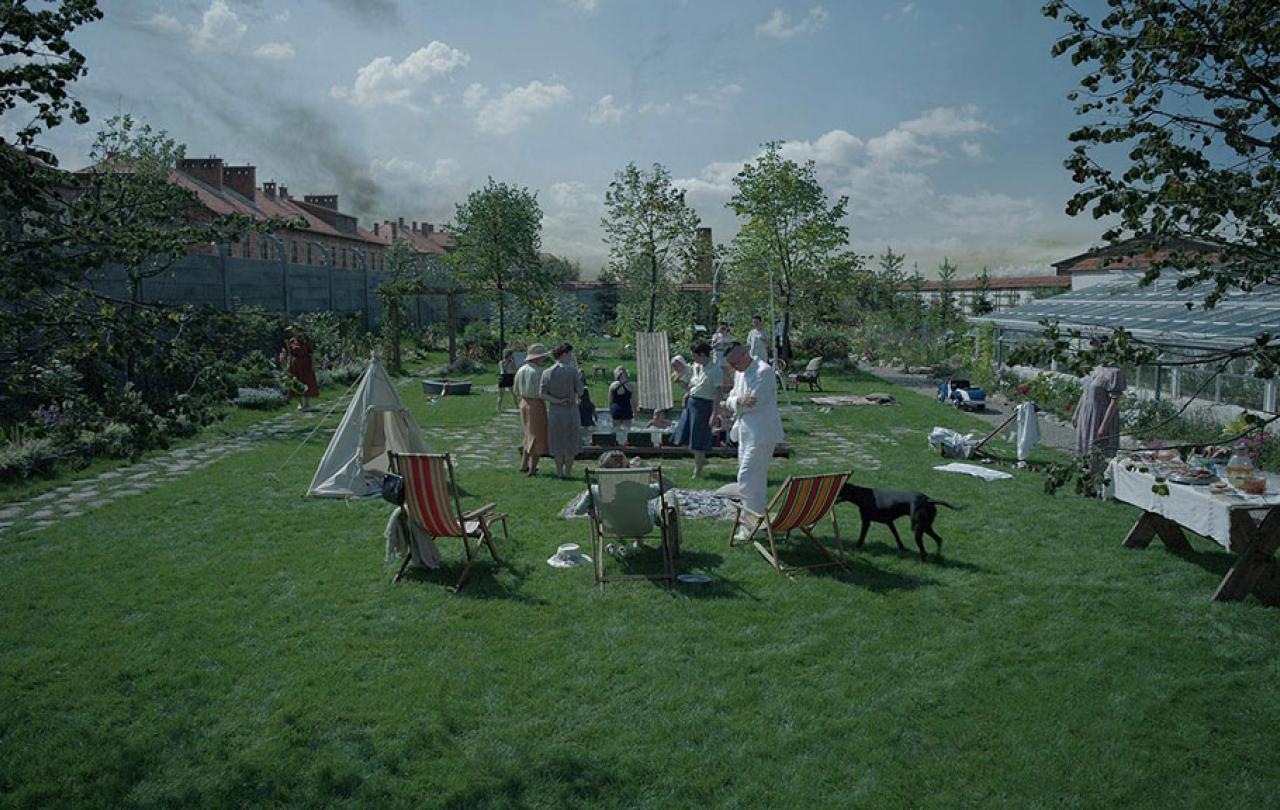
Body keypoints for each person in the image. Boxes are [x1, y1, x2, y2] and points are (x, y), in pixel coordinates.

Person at [725, 342, 784, 535]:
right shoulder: (740, 373)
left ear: (744, 354)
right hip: (745, 433)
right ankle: (753, 526)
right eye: (730, 365)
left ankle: (753, 526)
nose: (733, 368)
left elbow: (754, 403)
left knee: (747, 477)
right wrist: (737, 401)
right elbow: (731, 399)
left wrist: (738, 402)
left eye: (734, 362)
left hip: (762, 434)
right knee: (754, 480)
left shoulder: (763, 371)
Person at [1073, 342, 1126, 475]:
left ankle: (1098, 478)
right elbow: (1085, 393)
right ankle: (1086, 476)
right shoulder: (1094, 369)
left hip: (1100, 415)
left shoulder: (1114, 372)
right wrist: (1077, 412)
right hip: (1087, 414)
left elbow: (1114, 401)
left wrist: (1104, 425)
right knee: (1086, 447)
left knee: (1098, 448)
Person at [673, 343, 721, 477]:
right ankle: (700, 460)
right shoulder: (696, 367)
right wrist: (683, 386)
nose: (694, 359)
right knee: (686, 436)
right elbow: (692, 386)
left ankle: (697, 469)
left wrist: (715, 413)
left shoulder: (715, 370)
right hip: (692, 402)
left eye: (696, 356)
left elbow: (718, 392)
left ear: (703, 355)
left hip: (704, 404)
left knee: (698, 437)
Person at [541, 342, 585, 479]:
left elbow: (542, 393)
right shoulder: (573, 372)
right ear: (564, 354)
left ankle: (559, 472)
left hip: (555, 411)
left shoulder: (547, 372)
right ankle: (568, 472)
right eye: (569, 353)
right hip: (570, 410)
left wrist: (557, 401)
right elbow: (581, 391)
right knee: (570, 442)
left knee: (557, 441)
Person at [514, 343, 551, 476]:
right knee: (537, 436)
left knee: (527, 434)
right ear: (536, 358)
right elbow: (542, 392)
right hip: (536, 404)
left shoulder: (521, 370)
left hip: (523, 403)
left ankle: (524, 464)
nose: (544, 359)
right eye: (542, 357)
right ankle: (532, 468)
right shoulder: (539, 372)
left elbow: (515, 390)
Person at [280, 326, 319, 412]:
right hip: (295, 364)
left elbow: (311, 353)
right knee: (296, 383)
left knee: (306, 382)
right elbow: (290, 353)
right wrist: (288, 365)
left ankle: (306, 403)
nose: (292, 332)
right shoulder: (292, 341)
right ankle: (300, 403)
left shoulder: (305, 340)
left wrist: (313, 365)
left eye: (294, 330)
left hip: (305, 364)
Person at [608, 367, 634, 445]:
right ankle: (626, 444)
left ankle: (615, 444)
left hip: (616, 409)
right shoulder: (630, 385)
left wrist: (610, 410)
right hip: (627, 409)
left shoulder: (612, 385)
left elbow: (610, 400)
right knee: (627, 432)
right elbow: (633, 401)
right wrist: (635, 413)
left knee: (615, 431)